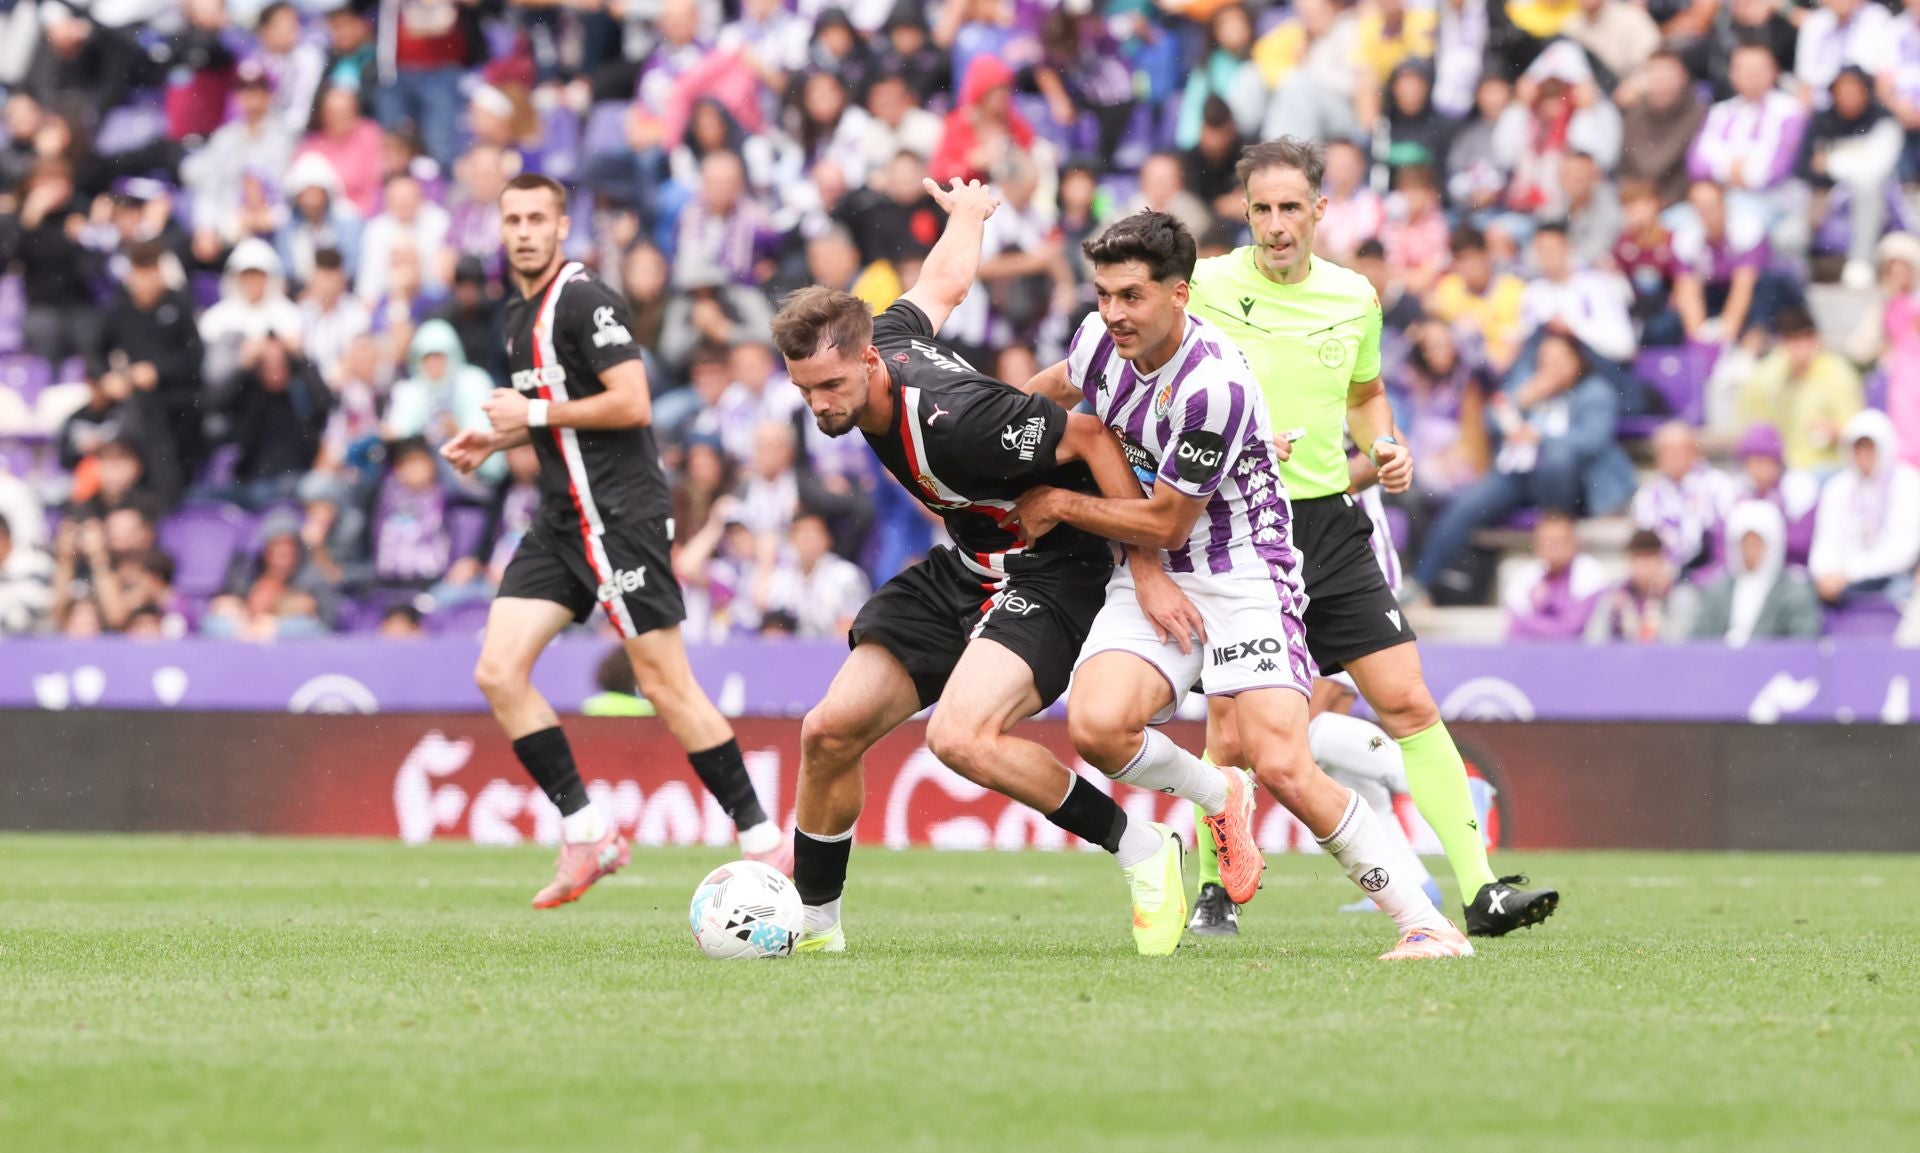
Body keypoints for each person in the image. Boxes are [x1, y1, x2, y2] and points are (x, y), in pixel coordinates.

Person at [771, 180, 1222, 956]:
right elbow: (942, 282)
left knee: (961, 737)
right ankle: (814, 930)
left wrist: (1146, 570)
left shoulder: (960, 422)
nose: (820, 407)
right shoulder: (887, 334)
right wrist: (969, 215)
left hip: (1053, 568)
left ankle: (1145, 850)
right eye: (805, 390)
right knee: (828, 731)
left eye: (833, 387)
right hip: (971, 559)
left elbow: (1088, 439)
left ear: (870, 362)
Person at [1014, 211, 1469, 959]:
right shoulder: (1099, 339)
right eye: (1103, 294)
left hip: (1243, 572)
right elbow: (1057, 390)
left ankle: (1423, 923)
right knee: (1097, 726)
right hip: (1150, 568)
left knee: (1284, 761)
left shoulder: (1213, 386)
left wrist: (1058, 501)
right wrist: (1004, 435)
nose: (1113, 314)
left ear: (1179, 294)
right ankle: (1218, 793)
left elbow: (1164, 519)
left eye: (1131, 296)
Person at [1187, 138, 1558, 938]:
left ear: (1321, 210)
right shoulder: (1208, 285)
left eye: (1292, 208)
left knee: (1409, 700)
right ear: (1244, 213)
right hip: (1242, 526)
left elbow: (1366, 392)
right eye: (1262, 209)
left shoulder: (1354, 296)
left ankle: (1481, 887)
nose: (1277, 225)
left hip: (1330, 522)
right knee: (1231, 729)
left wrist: (1384, 442)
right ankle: (1215, 890)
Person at [438, 173, 787, 909]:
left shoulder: (585, 298)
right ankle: (589, 829)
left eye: (539, 217)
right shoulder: (515, 315)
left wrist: (528, 419)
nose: (525, 229)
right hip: (561, 519)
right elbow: (555, 419)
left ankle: (765, 841)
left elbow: (631, 402)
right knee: (499, 671)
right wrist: (496, 441)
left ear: (562, 228)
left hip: (622, 516)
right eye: (513, 219)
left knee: (664, 684)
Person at [1809, 410, 1920, 608]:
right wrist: (1825, 573)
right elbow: (1825, 541)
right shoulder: (1838, 487)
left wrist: (1850, 571)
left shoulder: (1907, 482)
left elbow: (1904, 550)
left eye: (1870, 447)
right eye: (1858, 448)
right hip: (1844, 581)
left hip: (1894, 580)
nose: (1864, 455)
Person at [1693, 501, 1823, 644]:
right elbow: (1699, 640)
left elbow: (1802, 644)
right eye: (1744, 544)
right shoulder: (1719, 590)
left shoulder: (1795, 593)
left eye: (1756, 544)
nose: (1750, 552)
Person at [1586, 529, 1702, 644]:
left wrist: (1658, 609)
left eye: (1648, 558)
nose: (1643, 566)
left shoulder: (1679, 595)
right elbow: (1593, 641)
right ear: (1629, 560)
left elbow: (1678, 644)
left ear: (1661, 559)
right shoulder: (1616, 595)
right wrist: (1613, 616)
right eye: (1637, 558)